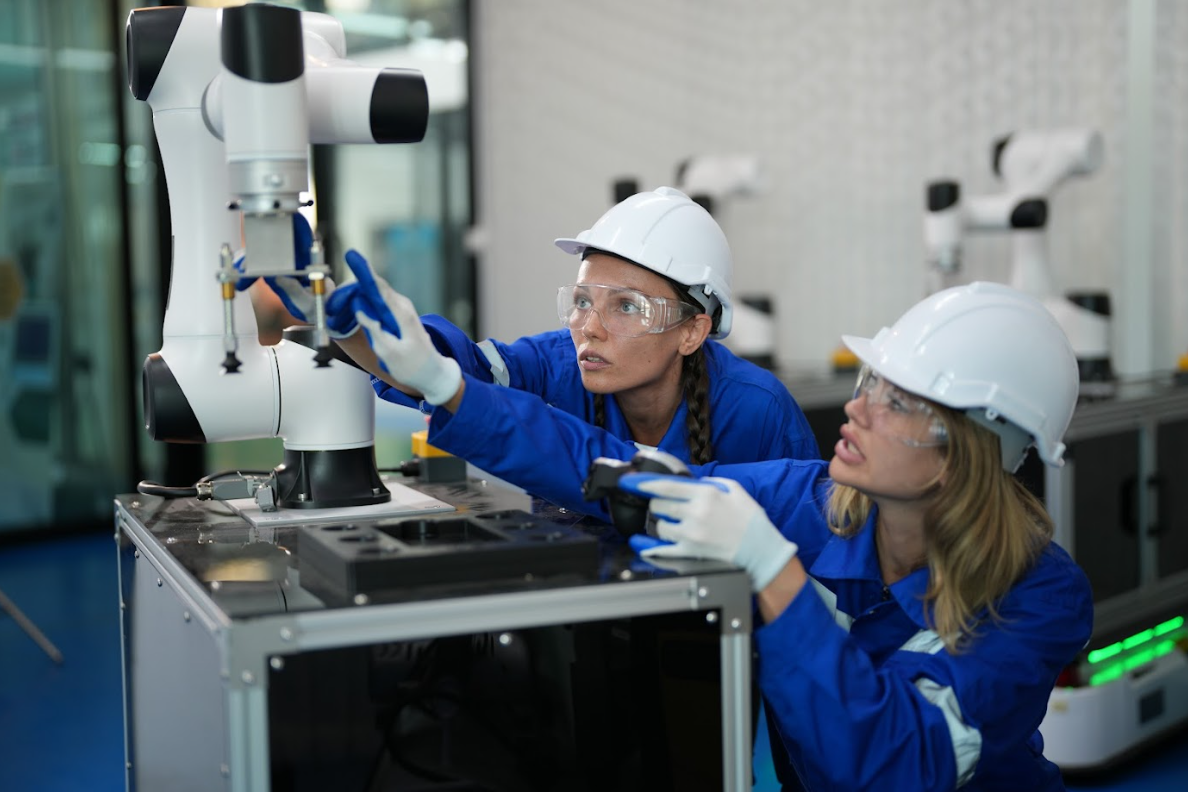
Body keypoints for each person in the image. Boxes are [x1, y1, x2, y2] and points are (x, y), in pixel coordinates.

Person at [608, 281, 1094, 791]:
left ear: (964, 454)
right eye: (871, 383)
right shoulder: (814, 501)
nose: (856, 410)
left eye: (899, 403)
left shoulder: (1041, 595)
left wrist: (775, 575)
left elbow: (899, 768)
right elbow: (587, 465)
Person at [264, 187, 819, 519]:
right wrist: (336, 321)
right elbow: (440, 372)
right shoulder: (558, 363)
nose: (589, 329)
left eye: (626, 307)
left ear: (693, 331)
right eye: (581, 300)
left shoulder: (758, 411)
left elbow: (813, 565)